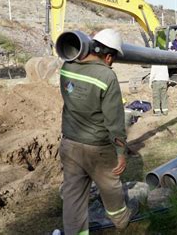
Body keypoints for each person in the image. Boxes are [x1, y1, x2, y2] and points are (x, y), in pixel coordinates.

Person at [58, 28, 137, 234]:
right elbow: (114, 122)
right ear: (109, 56)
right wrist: (121, 153)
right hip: (98, 148)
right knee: (110, 185)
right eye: (113, 59)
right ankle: (120, 219)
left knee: (73, 193)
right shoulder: (107, 76)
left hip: (69, 143)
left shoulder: (67, 67)